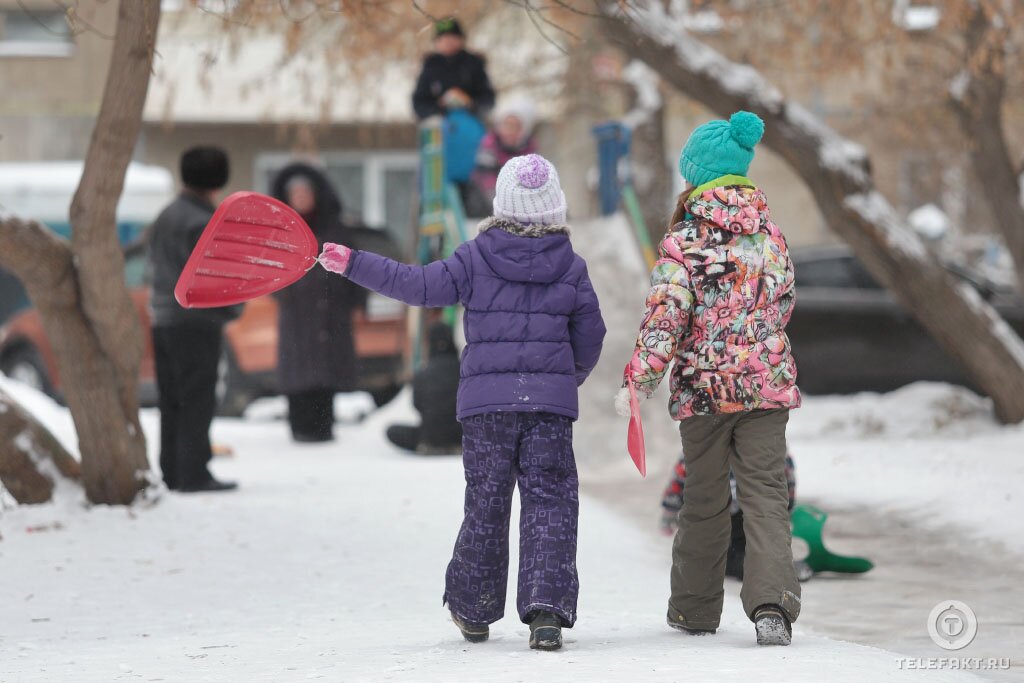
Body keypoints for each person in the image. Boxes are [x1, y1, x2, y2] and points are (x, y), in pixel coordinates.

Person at [319, 154, 605, 651]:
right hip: (549, 410)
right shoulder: (571, 266)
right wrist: (566, 378)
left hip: (486, 409)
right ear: (554, 207)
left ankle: (473, 610)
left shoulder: (474, 257)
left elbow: (417, 285)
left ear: (502, 203)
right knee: (551, 501)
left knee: (486, 500)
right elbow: (591, 334)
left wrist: (353, 261)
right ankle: (546, 613)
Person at [615, 111, 802, 646]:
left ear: (695, 175)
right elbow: (784, 301)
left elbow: (665, 317)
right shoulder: (772, 235)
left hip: (705, 392)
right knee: (767, 493)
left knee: (705, 496)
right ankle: (773, 607)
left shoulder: (686, 240)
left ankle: (695, 610)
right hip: (765, 385)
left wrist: (640, 379)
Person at [148, 146, 240, 493]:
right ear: (218, 179)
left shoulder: (166, 215)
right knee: (197, 398)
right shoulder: (202, 222)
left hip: (163, 319)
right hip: (195, 321)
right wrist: (231, 310)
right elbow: (211, 274)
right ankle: (193, 473)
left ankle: (172, 470)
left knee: (171, 398)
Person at [271, 163, 366, 443]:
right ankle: (300, 426)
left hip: (331, 314)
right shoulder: (282, 231)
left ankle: (323, 426)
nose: (300, 198)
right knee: (299, 369)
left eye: (305, 192)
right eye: (295, 193)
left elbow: (355, 266)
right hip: (296, 314)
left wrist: (356, 301)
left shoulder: (334, 228)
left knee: (326, 370)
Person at [660, 451, 798, 581]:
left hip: (743, 513)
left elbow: (784, 472)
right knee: (707, 547)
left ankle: (744, 561)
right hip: (713, 511)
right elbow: (683, 472)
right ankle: (719, 559)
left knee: (745, 543)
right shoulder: (706, 441)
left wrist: (785, 507)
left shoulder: (762, 439)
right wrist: (670, 508)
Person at [385, 321, 463, 455]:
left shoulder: (423, 372)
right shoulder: (465, 369)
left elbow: (417, 404)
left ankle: (430, 445)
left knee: (392, 431)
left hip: (429, 436)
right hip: (462, 436)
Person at [464, 98, 539, 216]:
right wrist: (505, 203)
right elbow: (486, 179)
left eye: (515, 126)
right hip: (489, 202)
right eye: (507, 125)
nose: (509, 131)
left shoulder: (529, 150)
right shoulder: (489, 145)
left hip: (519, 202)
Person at [411, 18, 495, 122]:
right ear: (436, 42)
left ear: (461, 39)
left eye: (452, 37)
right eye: (442, 38)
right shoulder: (430, 65)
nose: (447, 42)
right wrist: (439, 105)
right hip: (438, 128)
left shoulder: (474, 63)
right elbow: (419, 104)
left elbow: (488, 101)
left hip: (470, 125)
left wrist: (469, 102)